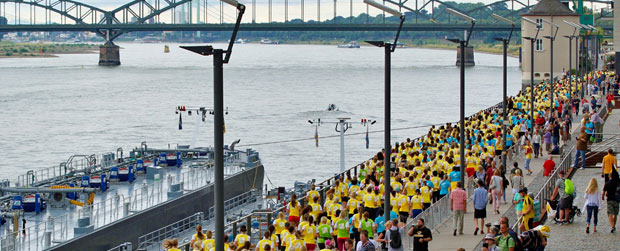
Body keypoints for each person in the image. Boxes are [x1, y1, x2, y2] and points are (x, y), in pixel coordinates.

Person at [602, 167, 619, 233]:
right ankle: (614, 225)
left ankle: (612, 226)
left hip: (609, 200)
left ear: (610, 176)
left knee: (609, 213)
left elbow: (603, 192)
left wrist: (602, 197)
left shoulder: (607, 183)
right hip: (617, 200)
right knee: (615, 214)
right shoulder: (618, 183)